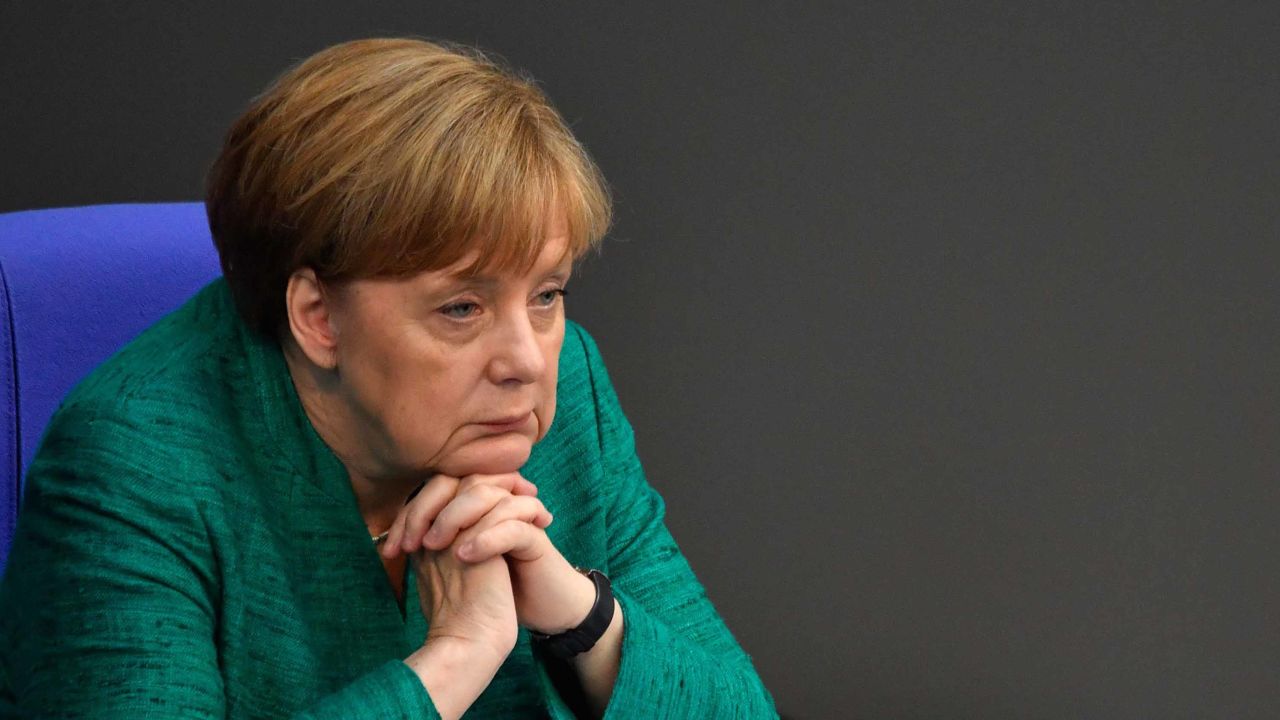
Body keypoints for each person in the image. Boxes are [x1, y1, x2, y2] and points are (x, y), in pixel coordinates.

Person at [0, 37, 776, 719]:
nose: (528, 362)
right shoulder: (133, 462)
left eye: (546, 294)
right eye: (462, 307)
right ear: (318, 318)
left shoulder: (569, 388)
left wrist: (580, 614)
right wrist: (454, 660)